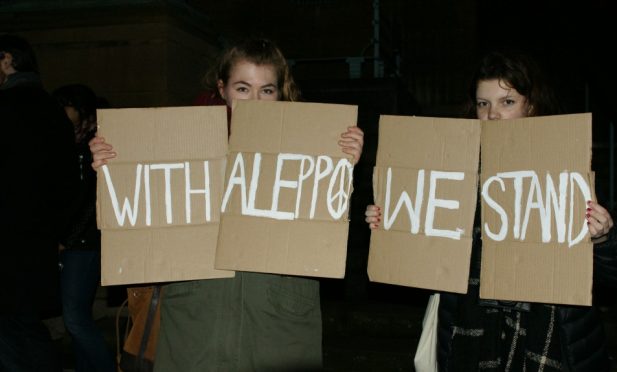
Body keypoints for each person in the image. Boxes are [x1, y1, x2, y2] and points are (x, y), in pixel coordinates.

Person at [90, 37, 364, 371]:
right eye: (243, 88)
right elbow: (138, 210)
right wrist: (114, 168)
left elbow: (328, 229)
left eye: (267, 90)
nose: (255, 100)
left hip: (276, 315)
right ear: (222, 88)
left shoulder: (310, 145)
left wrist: (343, 166)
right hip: (198, 316)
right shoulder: (176, 143)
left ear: (280, 92)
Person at [365, 50, 617, 371]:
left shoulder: (564, 164)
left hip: (547, 337)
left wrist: (602, 238)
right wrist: (391, 223)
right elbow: (426, 250)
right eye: (483, 103)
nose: (493, 114)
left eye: (507, 102)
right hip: (472, 333)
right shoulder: (453, 167)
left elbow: (610, 278)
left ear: (531, 104)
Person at [0, 34, 78, 371]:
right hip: (38, 241)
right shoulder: (51, 110)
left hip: (8, 240)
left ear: (5, 59)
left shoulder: (6, 106)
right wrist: (58, 232)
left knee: (11, 327)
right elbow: (67, 182)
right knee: (22, 323)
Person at [52, 84, 116, 372]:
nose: (61, 111)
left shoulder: (94, 144)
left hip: (84, 243)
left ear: (81, 110)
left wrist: (68, 239)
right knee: (78, 317)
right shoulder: (72, 142)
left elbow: (93, 201)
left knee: (75, 318)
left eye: (66, 105)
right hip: (78, 241)